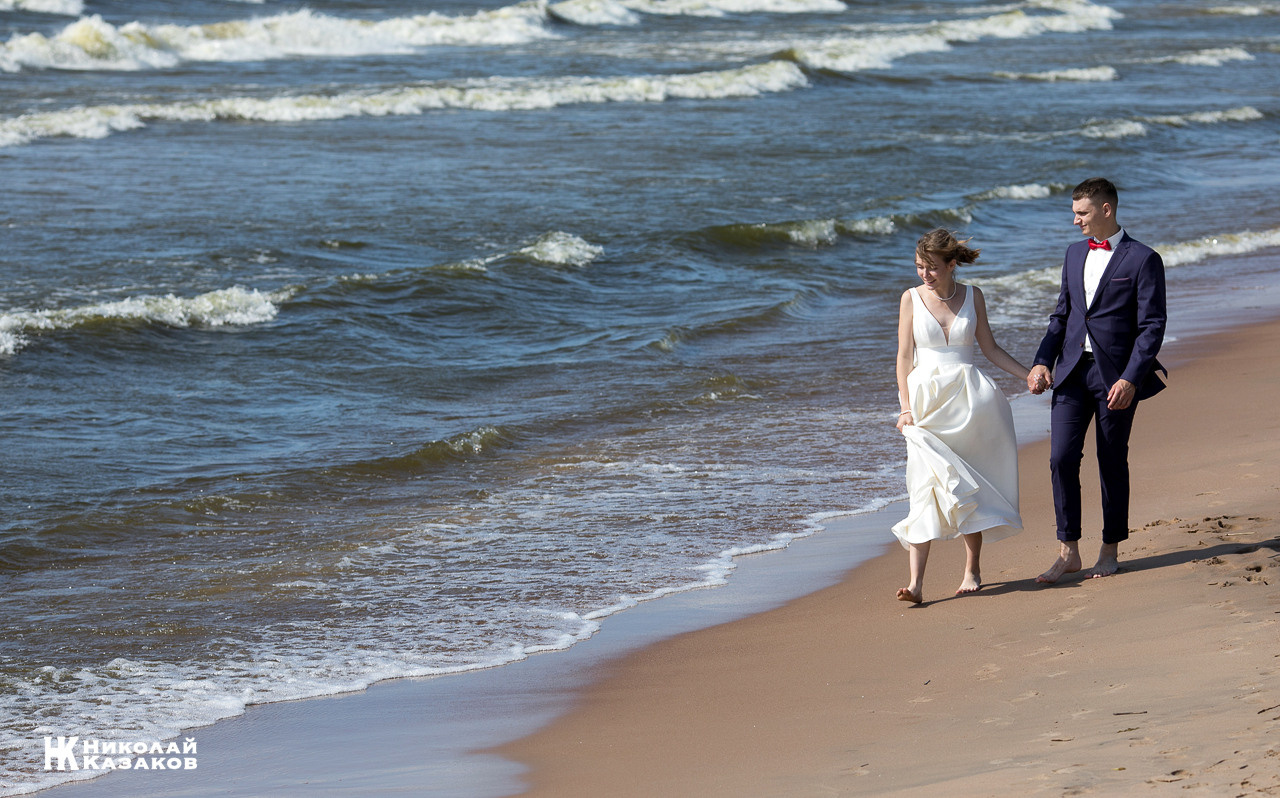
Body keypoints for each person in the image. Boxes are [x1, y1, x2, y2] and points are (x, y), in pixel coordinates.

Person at [1027, 177, 1167, 582]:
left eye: (1082, 213)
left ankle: (1110, 548)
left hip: (1115, 378)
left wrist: (1131, 379)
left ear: (1106, 209)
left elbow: (1152, 325)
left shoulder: (1144, 259)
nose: (1075, 221)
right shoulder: (1074, 254)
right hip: (1071, 372)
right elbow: (1061, 316)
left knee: (1111, 460)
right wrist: (1042, 361)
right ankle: (1068, 551)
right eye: (1074, 213)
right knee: (1060, 458)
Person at [893, 229, 1030, 604]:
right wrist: (905, 407)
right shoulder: (910, 299)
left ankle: (972, 569)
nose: (925, 274)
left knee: (969, 484)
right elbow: (904, 358)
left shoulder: (974, 296)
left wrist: (1028, 375)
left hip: (971, 405)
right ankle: (916, 584)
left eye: (932, 267)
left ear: (952, 264)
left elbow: (990, 348)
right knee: (923, 486)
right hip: (926, 407)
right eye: (919, 266)